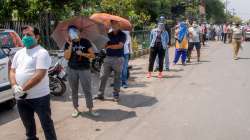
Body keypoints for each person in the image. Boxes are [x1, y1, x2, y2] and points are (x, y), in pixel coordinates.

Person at [9, 25, 57, 140]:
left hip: (40, 97)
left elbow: (39, 75)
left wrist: (22, 89)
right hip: (21, 98)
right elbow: (12, 71)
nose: (25, 37)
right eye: (24, 35)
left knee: (47, 125)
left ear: (37, 37)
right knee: (28, 127)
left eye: (29, 35)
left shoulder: (42, 53)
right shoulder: (19, 53)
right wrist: (15, 86)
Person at [64, 25, 98, 117]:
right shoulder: (67, 43)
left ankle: (90, 109)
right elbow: (67, 57)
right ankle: (76, 109)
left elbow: (93, 55)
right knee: (74, 90)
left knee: (87, 90)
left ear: (78, 32)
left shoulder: (85, 42)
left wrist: (82, 53)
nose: (72, 33)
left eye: (74, 31)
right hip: (72, 69)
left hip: (84, 69)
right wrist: (70, 45)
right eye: (70, 32)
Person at [95, 20, 126, 102]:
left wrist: (109, 46)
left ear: (119, 25)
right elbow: (104, 46)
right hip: (108, 58)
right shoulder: (108, 34)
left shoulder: (123, 35)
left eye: (115, 24)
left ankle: (116, 95)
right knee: (103, 76)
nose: (114, 26)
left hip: (118, 58)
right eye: (112, 24)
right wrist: (104, 35)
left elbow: (120, 46)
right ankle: (100, 94)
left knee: (117, 78)